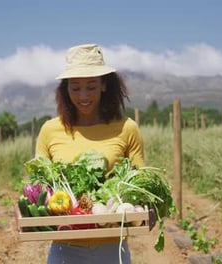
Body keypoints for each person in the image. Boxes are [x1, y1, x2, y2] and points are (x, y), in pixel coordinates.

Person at [35, 43, 145, 264]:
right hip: (65, 248)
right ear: (65, 89)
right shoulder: (50, 130)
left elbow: (140, 180)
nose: (83, 95)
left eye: (91, 86)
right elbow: (40, 185)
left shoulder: (127, 128)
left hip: (113, 247)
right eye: (75, 87)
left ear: (104, 85)